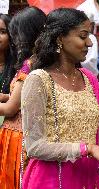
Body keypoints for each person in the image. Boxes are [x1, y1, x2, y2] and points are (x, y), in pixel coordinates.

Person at [21, 8, 99, 189]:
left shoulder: (89, 78)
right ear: (60, 39)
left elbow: (91, 133)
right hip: (52, 178)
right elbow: (34, 146)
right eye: (83, 36)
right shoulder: (39, 80)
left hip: (88, 176)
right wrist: (87, 149)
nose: (90, 43)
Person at [0, 7, 46, 189]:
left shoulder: (29, 65)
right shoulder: (43, 61)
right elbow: (20, 98)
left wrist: (7, 100)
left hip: (18, 137)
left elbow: (12, 108)